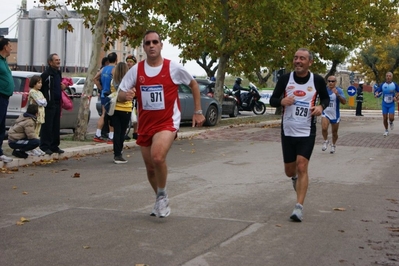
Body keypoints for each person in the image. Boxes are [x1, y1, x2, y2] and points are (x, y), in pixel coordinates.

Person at [117, 30, 205, 218]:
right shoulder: (137, 70)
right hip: (146, 124)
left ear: (161, 45)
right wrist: (127, 95)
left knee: (157, 157)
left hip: (167, 122)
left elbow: (194, 84)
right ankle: (159, 197)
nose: (151, 45)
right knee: (150, 167)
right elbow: (121, 93)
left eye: (155, 42)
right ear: (144, 47)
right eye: (147, 43)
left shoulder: (172, 67)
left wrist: (198, 111)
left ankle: (162, 195)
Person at [269, 48, 330, 222]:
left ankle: (299, 208)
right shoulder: (285, 79)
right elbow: (272, 99)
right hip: (288, 130)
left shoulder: (316, 80)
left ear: (309, 62)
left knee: (302, 165)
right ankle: (294, 178)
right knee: (290, 171)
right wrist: (281, 101)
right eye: (295, 58)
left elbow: (325, 99)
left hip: (306, 131)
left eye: (302, 58)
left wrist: (320, 107)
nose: (298, 61)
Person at [39, 53, 66, 155]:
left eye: (59, 60)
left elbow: (58, 85)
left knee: (55, 125)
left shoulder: (58, 73)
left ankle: (54, 146)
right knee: (47, 126)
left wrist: (62, 87)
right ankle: (45, 146)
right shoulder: (46, 74)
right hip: (49, 104)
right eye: (56, 60)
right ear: (50, 62)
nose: (58, 61)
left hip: (57, 102)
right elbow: (40, 88)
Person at [110, 62, 132, 164]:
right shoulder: (128, 83)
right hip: (126, 109)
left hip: (115, 109)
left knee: (117, 132)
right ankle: (119, 154)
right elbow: (132, 95)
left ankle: (116, 153)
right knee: (122, 132)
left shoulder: (112, 81)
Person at [93, 52, 117, 143]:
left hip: (103, 94)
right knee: (112, 115)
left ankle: (97, 134)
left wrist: (101, 88)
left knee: (103, 115)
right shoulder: (115, 69)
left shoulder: (103, 69)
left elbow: (95, 78)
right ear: (116, 60)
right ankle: (111, 137)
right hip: (112, 95)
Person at [321, 75, 346, 154]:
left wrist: (337, 94)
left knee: (334, 132)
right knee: (324, 128)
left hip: (335, 114)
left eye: (332, 81)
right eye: (329, 81)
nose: (330, 83)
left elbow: (344, 102)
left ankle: (333, 144)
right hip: (326, 112)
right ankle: (325, 141)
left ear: (335, 82)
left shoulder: (339, 90)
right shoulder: (324, 90)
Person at [0, 38, 14, 163]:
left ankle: (0, 152)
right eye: (10, 45)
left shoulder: (4, 61)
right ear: (4, 47)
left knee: (1, 126)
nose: (11, 48)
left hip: (5, 97)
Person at [374, 72, 399, 137]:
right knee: (385, 118)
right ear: (385, 77)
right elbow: (378, 92)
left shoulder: (394, 85)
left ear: (391, 77)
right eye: (387, 76)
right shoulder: (383, 85)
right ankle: (386, 130)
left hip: (391, 104)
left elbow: (398, 92)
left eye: (389, 76)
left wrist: (396, 97)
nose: (388, 77)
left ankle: (391, 122)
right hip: (384, 104)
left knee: (391, 118)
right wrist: (376, 94)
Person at [125, 54, 138, 140]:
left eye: (131, 62)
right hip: (126, 96)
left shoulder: (136, 71)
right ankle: (125, 132)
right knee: (126, 115)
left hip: (135, 96)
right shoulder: (125, 72)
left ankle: (135, 132)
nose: (129, 63)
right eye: (128, 62)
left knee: (135, 116)